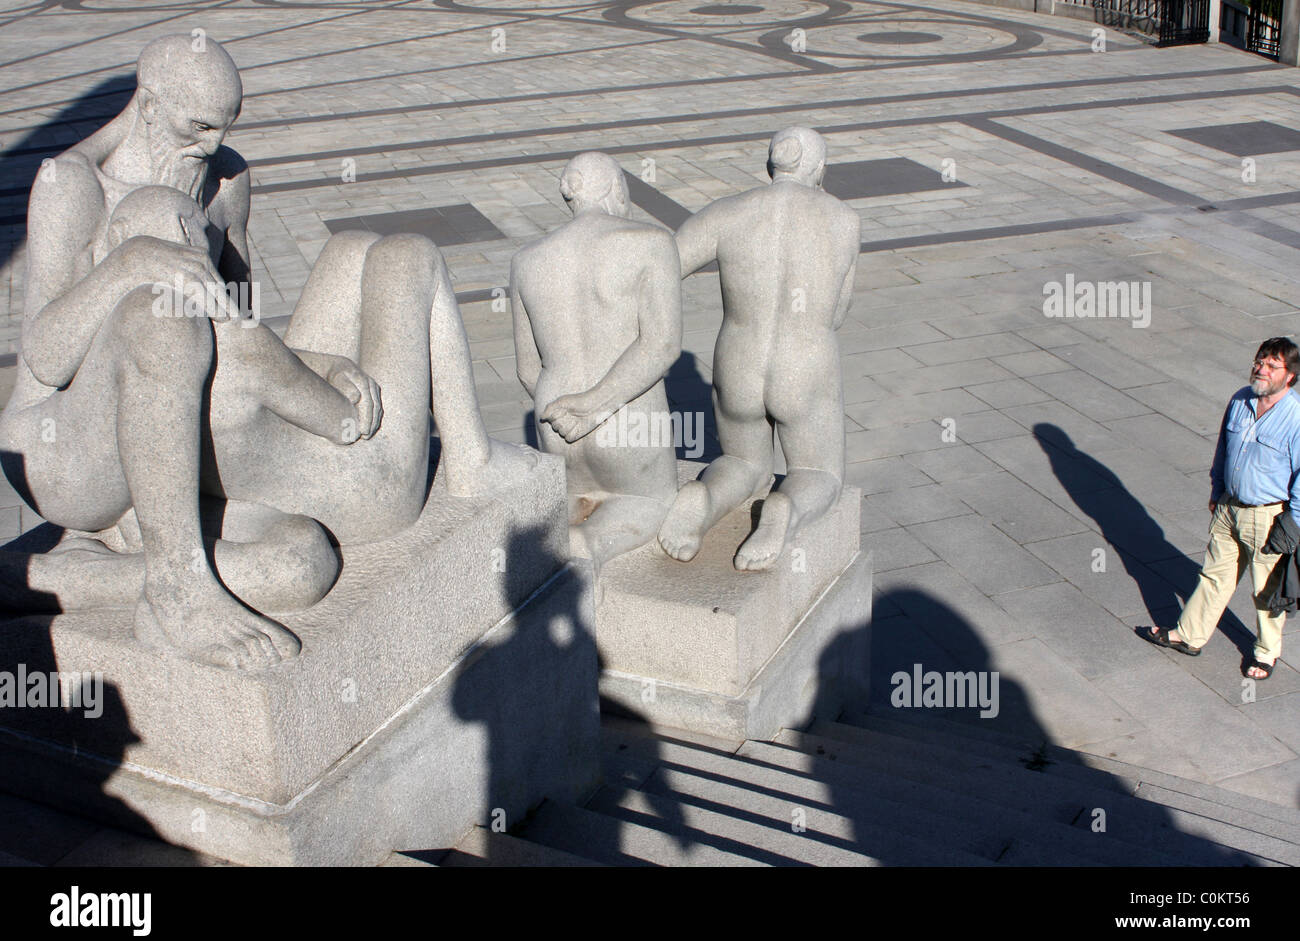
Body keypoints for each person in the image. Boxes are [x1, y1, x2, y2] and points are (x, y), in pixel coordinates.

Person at [0, 35, 530, 670]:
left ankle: (94, 569)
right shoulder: (72, 183)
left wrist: (317, 362)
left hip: (195, 414)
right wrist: (129, 266)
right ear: (148, 103)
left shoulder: (224, 176)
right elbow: (46, 357)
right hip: (71, 453)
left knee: (358, 252)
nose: (209, 145)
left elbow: (238, 328)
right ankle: (176, 588)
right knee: (160, 317)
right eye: (196, 126)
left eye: (225, 126)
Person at [657, 126, 859, 571]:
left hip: (738, 360)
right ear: (819, 169)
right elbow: (838, 313)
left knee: (741, 460)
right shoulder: (843, 219)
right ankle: (783, 511)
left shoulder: (730, 212)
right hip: (804, 363)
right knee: (817, 472)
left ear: (770, 167)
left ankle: (703, 499)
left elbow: (662, 266)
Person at [511, 152, 681, 590]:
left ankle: (552, 549)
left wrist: (571, 409)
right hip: (624, 416)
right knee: (649, 499)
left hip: (554, 416)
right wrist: (595, 406)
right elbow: (661, 346)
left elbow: (528, 368)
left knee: (568, 498)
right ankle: (592, 547)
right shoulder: (650, 242)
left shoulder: (528, 260)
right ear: (611, 189)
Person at [1139, 337, 1300, 680]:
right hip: (1229, 506)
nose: (1261, 368)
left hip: (1268, 515)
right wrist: (1216, 489)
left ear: (1290, 376)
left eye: (1272, 365)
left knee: (1266, 589)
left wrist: (1293, 523)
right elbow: (1223, 450)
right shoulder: (1240, 399)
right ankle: (1189, 635)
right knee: (1214, 575)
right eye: (1260, 361)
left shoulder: (1296, 417)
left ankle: (1266, 653)